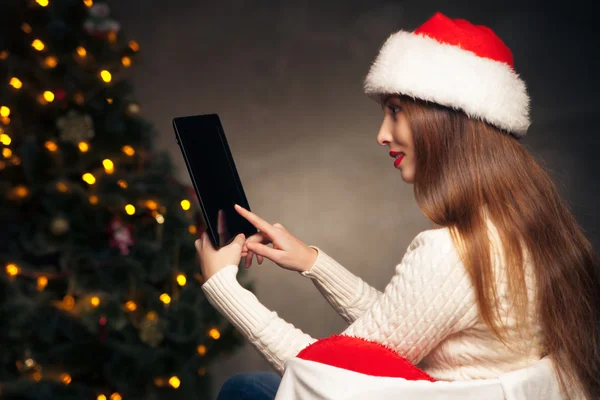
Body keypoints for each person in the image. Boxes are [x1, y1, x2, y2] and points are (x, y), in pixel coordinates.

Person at [196, 11, 600, 400]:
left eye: (395, 111)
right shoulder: (524, 227)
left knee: (245, 389)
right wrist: (313, 263)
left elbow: (330, 378)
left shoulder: (455, 252)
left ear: (444, 120)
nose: (382, 135)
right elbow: (404, 322)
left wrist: (223, 287)